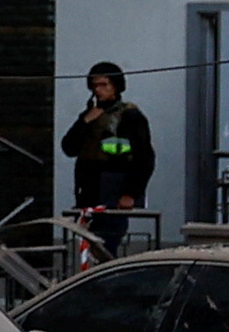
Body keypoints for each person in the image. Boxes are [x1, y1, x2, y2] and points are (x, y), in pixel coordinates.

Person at [63, 62, 159, 252]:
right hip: (89, 189)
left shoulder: (130, 116)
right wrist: (84, 122)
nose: (98, 90)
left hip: (114, 189)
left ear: (116, 86)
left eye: (104, 85)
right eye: (95, 85)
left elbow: (144, 157)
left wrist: (130, 193)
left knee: (108, 244)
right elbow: (69, 147)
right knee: (90, 244)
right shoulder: (90, 116)